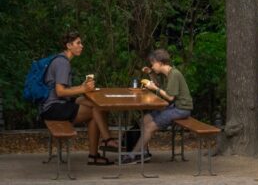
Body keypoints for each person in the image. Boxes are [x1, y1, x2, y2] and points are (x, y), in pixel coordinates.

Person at [39, 31, 114, 165]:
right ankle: (105, 141)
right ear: (69, 45)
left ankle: (96, 152)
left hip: (54, 104)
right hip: (53, 108)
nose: (82, 46)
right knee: (95, 111)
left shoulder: (60, 59)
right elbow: (60, 92)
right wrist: (83, 89)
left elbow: (65, 91)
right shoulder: (63, 63)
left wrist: (82, 87)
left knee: (94, 104)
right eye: (78, 43)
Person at [123, 48, 192, 163]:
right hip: (174, 106)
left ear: (160, 63)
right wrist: (150, 73)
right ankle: (143, 154)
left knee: (149, 127)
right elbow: (159, 86)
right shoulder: (169, 73)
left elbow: (169, 97)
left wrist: (154, 88)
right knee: (144, 120)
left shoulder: (174, 74)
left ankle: (132, 155)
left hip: (181, 109)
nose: (152, 66)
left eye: (153, 64)